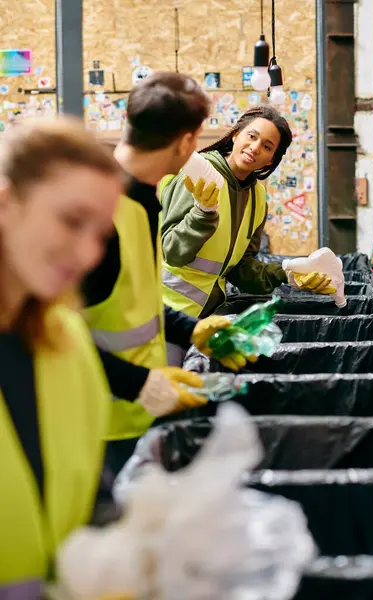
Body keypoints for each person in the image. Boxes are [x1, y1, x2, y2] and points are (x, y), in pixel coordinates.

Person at [83, 72, 252, 477]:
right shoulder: (102, 214)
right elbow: (54, 335)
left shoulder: (143, 199)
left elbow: (129, 299)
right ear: (186, 142)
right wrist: (139, 383)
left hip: (135, 417)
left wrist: (190, 329)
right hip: (99, 428)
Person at [0, 117, 123, 590]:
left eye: (100, 235)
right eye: (72, 221)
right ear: (7, 202)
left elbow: (90, 492)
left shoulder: (67, 343)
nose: (88, 253)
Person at [160, 105, 335, 325]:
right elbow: (172, 253)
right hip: (166, 313)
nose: (254, 147)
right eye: (251, 136)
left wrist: (288, 272)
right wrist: (202, 213)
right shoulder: (200, 175)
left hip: (208, 317)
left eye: (267, 146)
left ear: (271, 159)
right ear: (235, 136)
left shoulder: (257, 197)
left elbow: (241, 269)